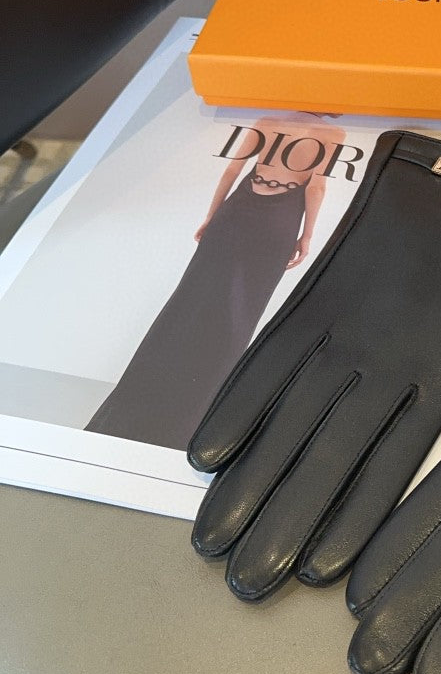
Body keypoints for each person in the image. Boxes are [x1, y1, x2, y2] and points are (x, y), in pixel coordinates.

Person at [85, 114, 346, 450]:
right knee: (239, 316)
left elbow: (232, 171)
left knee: (190, 300)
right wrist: (306, 236)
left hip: (236, 211)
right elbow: (316, 186)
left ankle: (140, 402)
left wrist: (211, 216)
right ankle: (194, 418)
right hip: (278, 224)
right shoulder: (333, 133)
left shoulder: (267, 121)